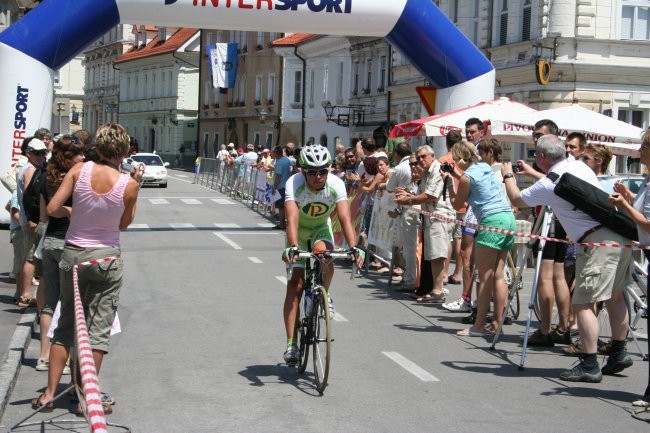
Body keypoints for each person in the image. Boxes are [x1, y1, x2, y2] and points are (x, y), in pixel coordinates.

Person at [502, 134, 632, 383]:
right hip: (617, 234)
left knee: (582, 303)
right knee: (616, 297)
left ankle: (589, 363)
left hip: (595, 241)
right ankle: (618, 352)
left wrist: (509, 175)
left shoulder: (549, 183)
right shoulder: (578, 165)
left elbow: (516, 198)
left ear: (541, 157)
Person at [32, 124, 144, 412]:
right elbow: (123, 223)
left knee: (66, 324)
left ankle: (49, 393)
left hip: (74, 255)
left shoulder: (79, 172)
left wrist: (73, 211)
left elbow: (53, 208)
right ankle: (86, 397)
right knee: (97, 331)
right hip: (106, 258)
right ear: (124, 151)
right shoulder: (127, 183)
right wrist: (135, 189)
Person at [280, 144, 364, 365]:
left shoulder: (336, 184)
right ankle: (291, 344)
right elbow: (292, 219)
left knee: (325, 256)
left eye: (322, 171)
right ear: (302, 172)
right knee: (295, 285)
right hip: (299, 231)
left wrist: (354, 247)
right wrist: (294, 247)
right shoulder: (294, 183)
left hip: (319, 228)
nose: (318, 177)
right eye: (312, 172)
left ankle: (324, 295)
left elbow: (345, 218)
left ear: (328, 170)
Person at [449, 140, 516, 336]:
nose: (455, 164)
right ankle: (497, 322)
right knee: (499, 274)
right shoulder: (484, 168)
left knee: (484, 275)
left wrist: (451, 187)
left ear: (461, 159)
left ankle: (478, 326)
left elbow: (457, 205)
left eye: (455, 160)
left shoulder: (467, 177)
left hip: (491, 221)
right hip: (507, 218)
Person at [515, 120, 573, 348]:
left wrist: (527, 173)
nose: (534, 139)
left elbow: (553, 186)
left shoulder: (552, 165)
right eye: (534, 134)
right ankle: (562, 327)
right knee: (557, 276)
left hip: (552, 222)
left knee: (547, 277)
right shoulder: (557, 163)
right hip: (555, 220)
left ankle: (549, 329)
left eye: (539, 135)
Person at [35, 135, 85, 373]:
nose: (83, 158)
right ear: (68, 158)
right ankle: (62, 359)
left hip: (49, 243)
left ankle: (43, 355)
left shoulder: (45, 178)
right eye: (78, 154)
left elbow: (44, 216)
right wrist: (69, 210)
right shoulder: (75, 179)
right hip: (68, 243)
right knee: (68, 306)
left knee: (48, 304)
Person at [609, 129, 650, 405]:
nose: (639, 150)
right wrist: (628, 196)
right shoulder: (647, 180)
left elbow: (648, 224)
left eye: (644, 145)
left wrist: (624, 204)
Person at [394, 145, 454, 304]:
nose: (420, 160)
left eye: (423, 157)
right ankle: (433, 288)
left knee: (437, 255)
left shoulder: (436, 170)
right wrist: (409, 195)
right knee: (432, 255)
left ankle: (437, 290)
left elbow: (430, 195)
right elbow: (423, 194)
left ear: (432, 156)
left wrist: (408, 199)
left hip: (439, 216)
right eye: (418, 158)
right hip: (430, 217)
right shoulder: (426, 173)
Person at [16, 138, 48, 308]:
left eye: (43, 152)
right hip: (31, 219)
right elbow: (31, 196)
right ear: (28, 153)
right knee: (30, 257)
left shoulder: (33, 168)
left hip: (30, 218)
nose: (41, 156)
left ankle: (22, 292)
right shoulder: (29, 170)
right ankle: (25, 295)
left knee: (30, 256)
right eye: (37, 153)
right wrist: (32, 218)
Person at [271, 145, 292, 230]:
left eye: (273, 152)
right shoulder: (286, 159)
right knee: (285, 206)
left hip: (281, 186)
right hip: (287, 185)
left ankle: (282, 224)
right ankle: (286, 223)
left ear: (276, 153)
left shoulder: (279, 162)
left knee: (281, 207)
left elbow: (278, 176)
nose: (272, 153)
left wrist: (274, 187)